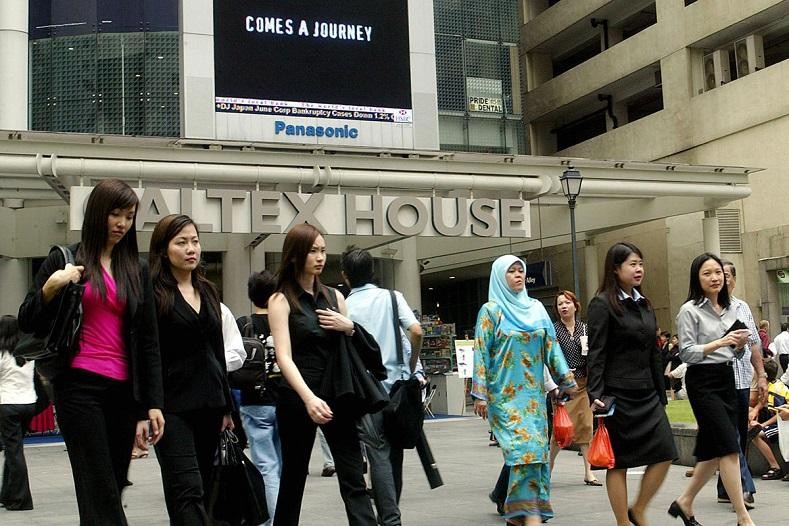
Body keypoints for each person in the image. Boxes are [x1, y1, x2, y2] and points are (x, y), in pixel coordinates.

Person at [18, 178, 164, 525]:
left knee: (111, 483)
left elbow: (148, 341)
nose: (121, 224)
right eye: (114, 214)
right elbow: (27, 319)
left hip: (123, 392)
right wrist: (52, 287)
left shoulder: (137, 269)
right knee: (98, 483)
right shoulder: (65, 259)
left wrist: (152, 403)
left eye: (128, 216)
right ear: (97, 213)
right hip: (78, 386)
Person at [267, 223, 377, 526]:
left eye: (323, 250)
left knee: (353, 474)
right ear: (295, 255)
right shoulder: (281, 300)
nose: (320, 257)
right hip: (298, 396)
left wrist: (349, 326)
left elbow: (349, 349)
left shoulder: (335, 297)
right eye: (312, 250)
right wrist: (308, 398)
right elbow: (283, 357)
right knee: (293, 477)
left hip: (337, 393)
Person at [471, 254, 577, 525]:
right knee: (523, 452)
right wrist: (480, 394)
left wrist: (567, 381)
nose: (518, 275)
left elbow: (551, 347)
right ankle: (527, 515)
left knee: (536, 456)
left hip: (533, 398)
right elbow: (481, 353)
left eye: (521, 270)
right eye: (511, 272)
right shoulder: (491, 311)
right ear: (499, 276)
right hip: (504, 398)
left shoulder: (537, 309)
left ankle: (518, 516)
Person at [148, 214, 236, 524]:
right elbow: (149, 353)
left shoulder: (209, 291)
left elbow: (218, 352)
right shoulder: (154, 294)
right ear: (163, 249)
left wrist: (227, 408)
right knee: (187, 487)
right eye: (181, 242)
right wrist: (149, 404)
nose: (191, 249)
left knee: (193, 490)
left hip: (210, 404)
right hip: (172, 407)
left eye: (195, 241)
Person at [586, 242, 677, 526]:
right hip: (617, 395)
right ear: (616, 269)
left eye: (641, 263)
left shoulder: (644, 303)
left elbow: (653, 351)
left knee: (666, 453)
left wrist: (661, 394)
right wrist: (596, 393)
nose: (639, 269)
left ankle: (638, 508)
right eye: (632, 264)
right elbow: (597, 352)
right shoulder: (602, 303)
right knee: (619, 462)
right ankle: (622, 522)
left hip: (648, 393)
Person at [670, 252, 755, 526]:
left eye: (718, 272)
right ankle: (743, 517)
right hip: (702, 382)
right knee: (730, 446)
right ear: (697, 278)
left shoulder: (733, 309)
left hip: (727, 379)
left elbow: (737, 355)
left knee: (711, 450)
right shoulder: (689, 310)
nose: (715, 277)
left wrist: (738, 345)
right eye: (707, 273)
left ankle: (684, 502)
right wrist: (719, 343)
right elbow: (687, 353)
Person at [342, 246, 425, 526]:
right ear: (373, 272)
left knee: (378, 454)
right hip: (397, 389)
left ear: (345, 276)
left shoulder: (344, 306)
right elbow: (416, 330)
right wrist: (411, 365)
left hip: (365, 392)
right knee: (394, 452)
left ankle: (390, 519)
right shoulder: (392, 297)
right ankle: (390, 513)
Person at [715, 260, 765, 508]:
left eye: (724, 275)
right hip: (718, 382)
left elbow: (755, 344)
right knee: (731, 436)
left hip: (743, 378)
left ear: (733, 279)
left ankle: (725, 487)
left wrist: (762, 375)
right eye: (714, 274)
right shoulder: (707, 308)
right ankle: (744, 485)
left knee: (740, 435)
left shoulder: (743, 307)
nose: (720, 279)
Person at [235, 269, 281, 525]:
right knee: (283, 467)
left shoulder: (244, 323)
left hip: (254, 402)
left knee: (266, 467)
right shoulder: (285, 322)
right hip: (285, 401)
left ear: (251, 295)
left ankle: (268, 521)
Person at [549, 290, 600, 486]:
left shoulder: (585, 329)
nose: (564, 306)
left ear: (575, 305)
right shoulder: (553, 330)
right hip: (563, 385)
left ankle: (589, 472)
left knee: (586, 427)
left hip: (584, 383)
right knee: (561, 430)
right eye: (560, 304)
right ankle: (549, 468)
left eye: (567, 302)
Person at [0, 315, 35, 510]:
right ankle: (7, 493)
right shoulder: (27, 354)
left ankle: (21, 499)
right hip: (28, 404)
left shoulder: (2, 354)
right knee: (13, 449)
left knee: (14, 452)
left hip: (8, 404)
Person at [747, 359, 786, 480]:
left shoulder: (775, 391)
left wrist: (762, 425)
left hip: (782, 424)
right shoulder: (772, 385)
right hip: (775, 419)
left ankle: (775, 467)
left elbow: (779, 414)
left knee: (755, 433)